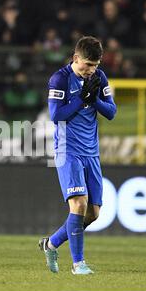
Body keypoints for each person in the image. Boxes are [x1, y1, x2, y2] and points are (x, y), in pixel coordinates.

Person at [39, 36, 116, 274]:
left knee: (93, 213)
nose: (90, 70)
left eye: (95, 65)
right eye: (87, 65)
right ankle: (78, 264)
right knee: (79, 203)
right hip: (67, 150)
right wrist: (81, 99)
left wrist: (94, 101)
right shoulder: (60, 78)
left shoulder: (99, 77)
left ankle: (50, 244)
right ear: (75, 58)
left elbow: (111, 111)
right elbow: (56, 115)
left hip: (91, 152)